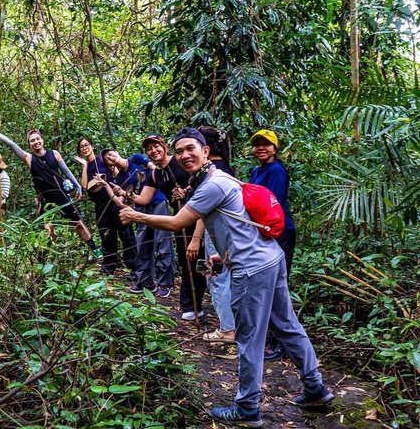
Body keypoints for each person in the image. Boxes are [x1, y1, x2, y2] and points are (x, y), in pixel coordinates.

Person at [119, 128, 334, 427]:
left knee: (249, 338)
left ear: (206, 151)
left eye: (190, 148)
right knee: (287, 325)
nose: (184, 155)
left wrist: (136, 215)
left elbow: (177, 221)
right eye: (179, 151)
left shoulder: (211, 186)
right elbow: (240, 226)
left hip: (252, 269)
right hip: (270, 257)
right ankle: (315, 388)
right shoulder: (222, 178)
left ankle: (247, 407)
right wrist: (225, 255)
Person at [127, 133, 204, 318]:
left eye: (156, 147)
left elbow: (202, 182)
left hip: (201, 219)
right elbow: (143, 199)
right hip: (180, 221)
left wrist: (186, 191)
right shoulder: (154, 174)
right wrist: (126, 195)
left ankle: (200, 305)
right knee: (187, 261)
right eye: (149, 149)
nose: (153, 151)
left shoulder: (180, 162)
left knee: (203, 261)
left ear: (164, 147)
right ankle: (191, 306)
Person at [0, 130, 100, 256]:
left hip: (61, 195)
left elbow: (66, 171)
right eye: (32, 141)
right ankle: (46, 259)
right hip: (46, 200)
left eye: (37, 139)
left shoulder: (54, 154)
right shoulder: (29, 159)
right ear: (29, 145)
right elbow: (10, 143)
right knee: (48, 229)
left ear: (42, 140)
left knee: (78, 224)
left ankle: (95, 250)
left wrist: (78, 186)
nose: (36, 142)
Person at [250, 129, 296, 362]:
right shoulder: (256, 170)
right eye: (257, 144)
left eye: (266, 145)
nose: (261, 148)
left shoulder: (276, 170)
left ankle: (282, 342)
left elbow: (271, 202)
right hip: (264, 231)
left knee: (277, 285)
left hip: (280, 230)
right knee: (265, 284)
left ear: (275, 149)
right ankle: (271, 335)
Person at [102, 148, 175, 296]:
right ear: (110, 165)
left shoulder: (135, 159)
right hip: (140, 208)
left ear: (117, 152)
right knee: (143, 244)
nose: (111, 157)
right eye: (107, 159)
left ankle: (165, 283)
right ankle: (145, 282)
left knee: (163, 242)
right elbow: (123, 201)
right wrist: (117, 191)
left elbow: (155, 169)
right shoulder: (121, 178)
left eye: (111, 154)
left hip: (157, 202)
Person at [197, 126, 236, 344]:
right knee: (219, 277)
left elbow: (202, 212)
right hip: (223, 235)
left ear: (206, 148)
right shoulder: (226, 168)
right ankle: (228, 325)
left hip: (215, 235)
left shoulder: (213, 172)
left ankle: (228, 330)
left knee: (217, 278)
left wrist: (195, 239)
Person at [74, 138, 136, 274]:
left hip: (113, 198)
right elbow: (85, 186)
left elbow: (117, 174)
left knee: (125, 232)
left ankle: (134, 267)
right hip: (100, 203)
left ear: (92, 146)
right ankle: (109, 266)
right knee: (106, 233)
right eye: (82, 147)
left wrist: (122, 192)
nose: (85, 148)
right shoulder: (88, 166)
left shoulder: (102, 159)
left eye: (87, 145)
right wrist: (84, 166)